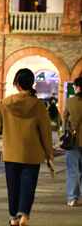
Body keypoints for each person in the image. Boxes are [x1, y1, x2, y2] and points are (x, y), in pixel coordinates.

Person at [0, 68, 53, 226]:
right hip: (33, 154)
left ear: (17, 84)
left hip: (12, 153)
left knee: (13, 186)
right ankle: (24, 214)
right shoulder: (38, 105)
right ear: (31, 83)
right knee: (28, 185)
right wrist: (49, 155)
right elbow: (45, 132)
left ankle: (13, 218)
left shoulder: (5, 103)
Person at [63, 76, 82, 207]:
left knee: (73, 170)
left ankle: (72, 198)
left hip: (74, 141)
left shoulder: (70, 101)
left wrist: (65, 132)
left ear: (77, 87)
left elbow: (64, 120)